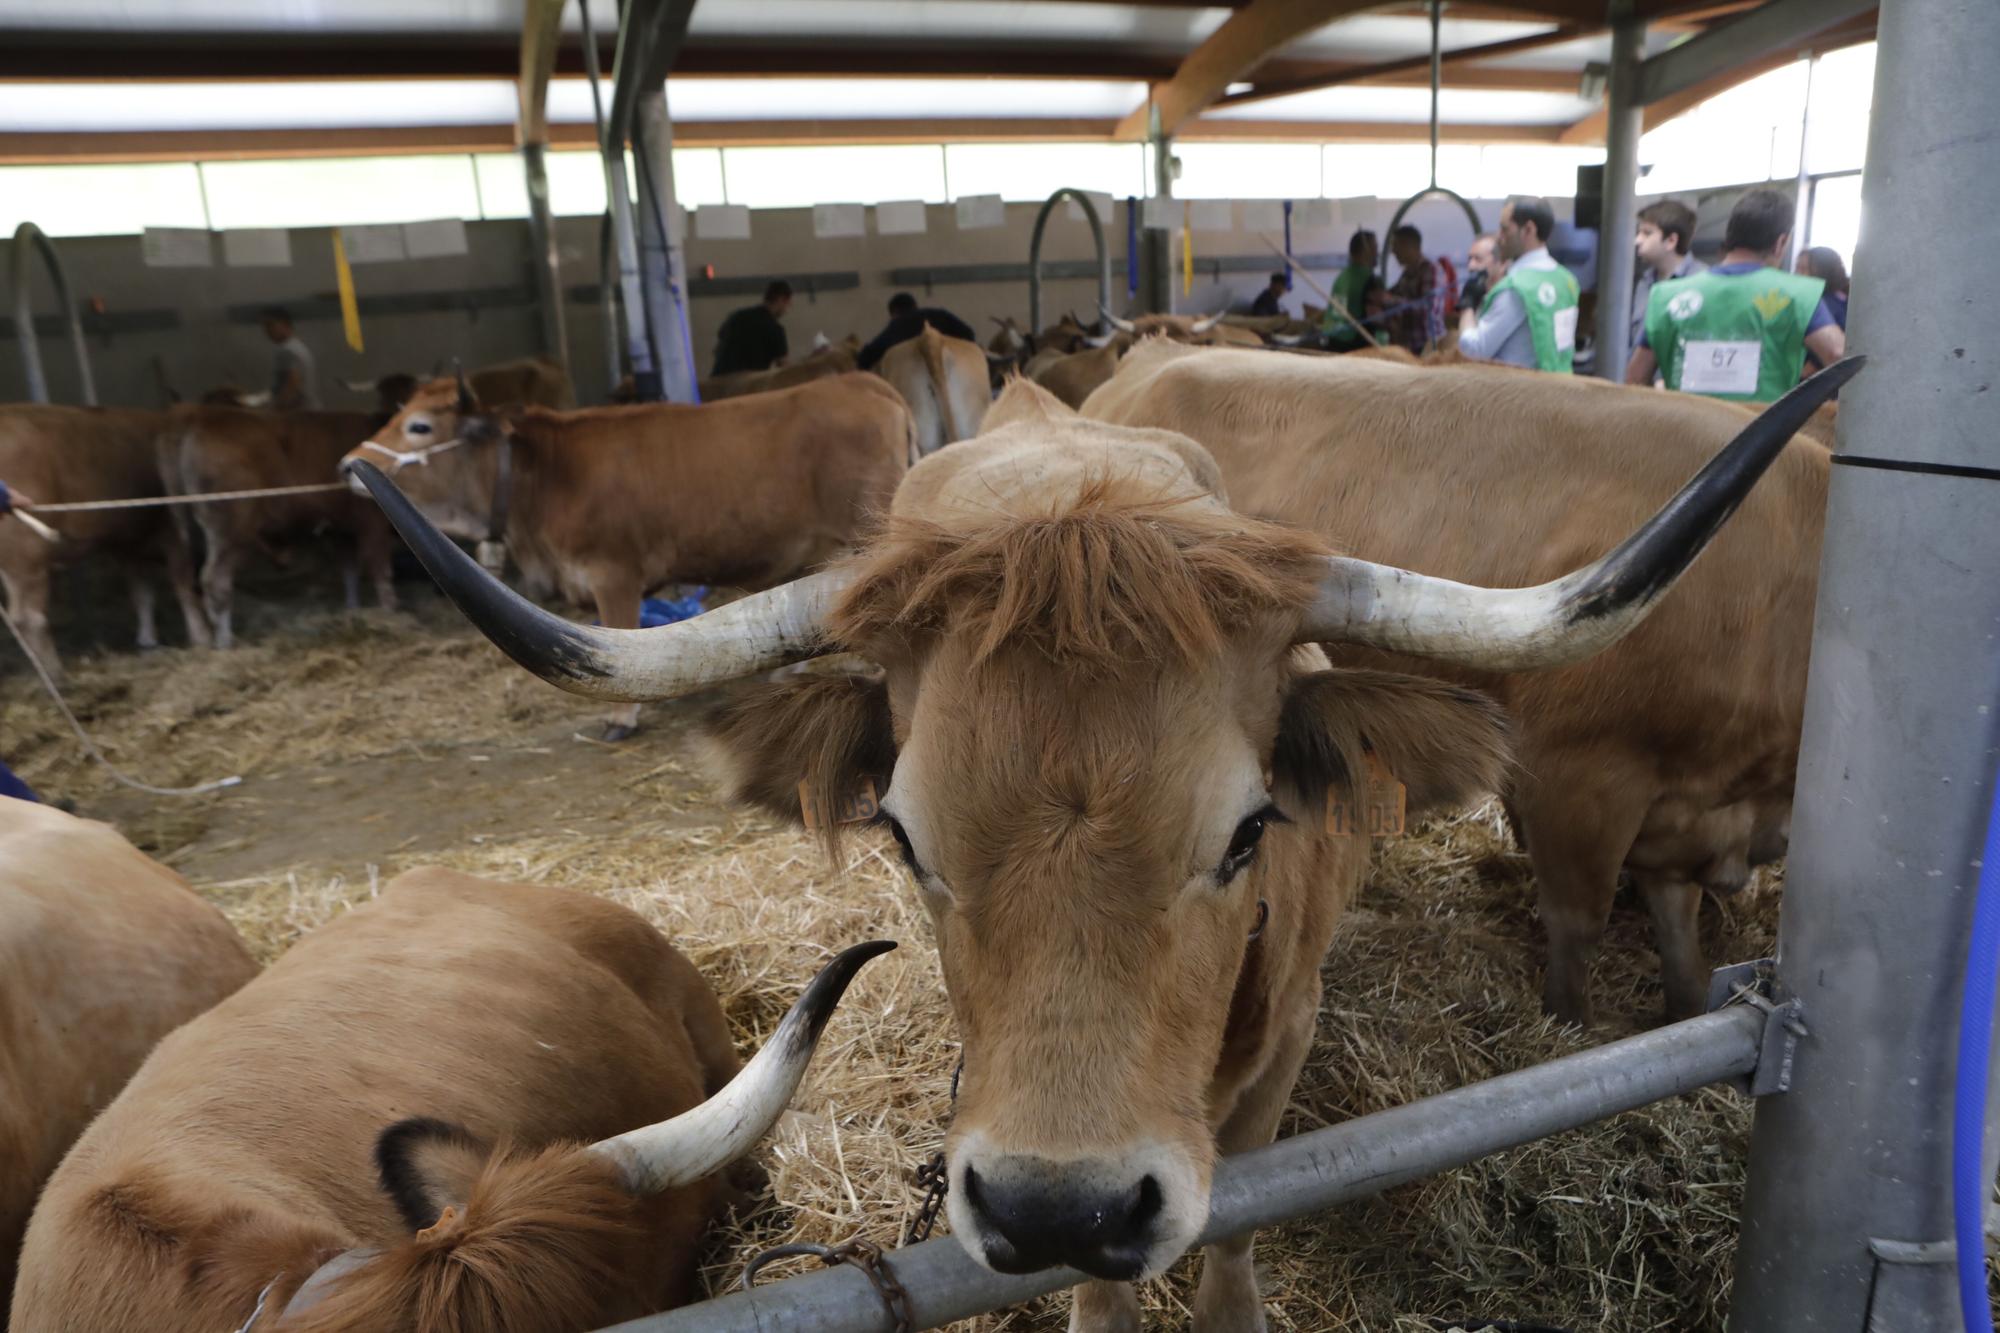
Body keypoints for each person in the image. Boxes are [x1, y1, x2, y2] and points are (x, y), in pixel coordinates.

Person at [1625, 188, 1845, 403]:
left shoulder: (1666, 296)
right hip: (1764, 437)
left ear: (1730, 235)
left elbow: (1635, 382)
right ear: (1780, 243)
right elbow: (1837, 353)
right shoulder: (1797, 295)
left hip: (1685, 435)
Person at [1457, 196, 1579, 373]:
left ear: (1528, 230)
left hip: (1518, 393)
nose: (1499, 237)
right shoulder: (1567, 280)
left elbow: (1474, 351)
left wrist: (1467, 305)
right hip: (1559, 387)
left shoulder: (1516, 288)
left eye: (1505, 229)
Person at [1632, 199, 1706, 354]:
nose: (1637, 240)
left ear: (1671, 240)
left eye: (1647, 233)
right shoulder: (1644, 282)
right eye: (1638, 233)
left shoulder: (1702, 282)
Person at [854, 292, 978, 372]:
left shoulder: (898, 324)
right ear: (915, 306)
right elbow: (969, 334)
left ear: (894, 313)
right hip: (953, 367)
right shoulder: (940, 315)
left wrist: (859, 360)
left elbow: (872, 352)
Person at [1384, 225, 1448, 355]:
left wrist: (1389, 300)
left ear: (1409, 246)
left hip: (1427, 348)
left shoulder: (1430, 270)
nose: (1393, 251)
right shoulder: (1407, 273)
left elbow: (1427, 308)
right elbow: (1393, 294)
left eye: (1395, 246)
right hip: (1408, 347)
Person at [1319, 229, 1386, 352]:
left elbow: (1335, 316)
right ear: (1365, 251)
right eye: (1375, 248)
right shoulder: (1371, 280)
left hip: (1334, 342)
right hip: (1356, 345)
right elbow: (1379, 321)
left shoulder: (1342, 277)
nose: (1377, 253)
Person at [711, 280, 793, 377]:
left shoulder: (737, 316)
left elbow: (716, 350)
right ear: (781, 299)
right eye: (788, 304)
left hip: (718, 379)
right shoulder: (775, 329)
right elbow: (784, 367)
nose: (787, 309)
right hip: (747, 384)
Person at [1796, 245, 1851, 373]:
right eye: (1796, 268)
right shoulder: (1842, 300)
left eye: (1803, 269)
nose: (1797, 275)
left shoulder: (1823, 304)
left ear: (1823, 271)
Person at [259, 307, 319, 410]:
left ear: (285, 324)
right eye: (264, 327)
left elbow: (293, 384)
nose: (267, 331)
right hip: (308, 411)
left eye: (270, 325)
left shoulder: (286, 351)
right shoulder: (298, 346)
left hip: (297, 414)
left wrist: (277, 410)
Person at [1461, 232, 1503, 312]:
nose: (1470, 266)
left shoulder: (1507, 299)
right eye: (1470, 259)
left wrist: (1467, 303)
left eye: (1478, 259)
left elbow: (1469, 325)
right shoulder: (1480, 297)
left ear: (1500, 262)